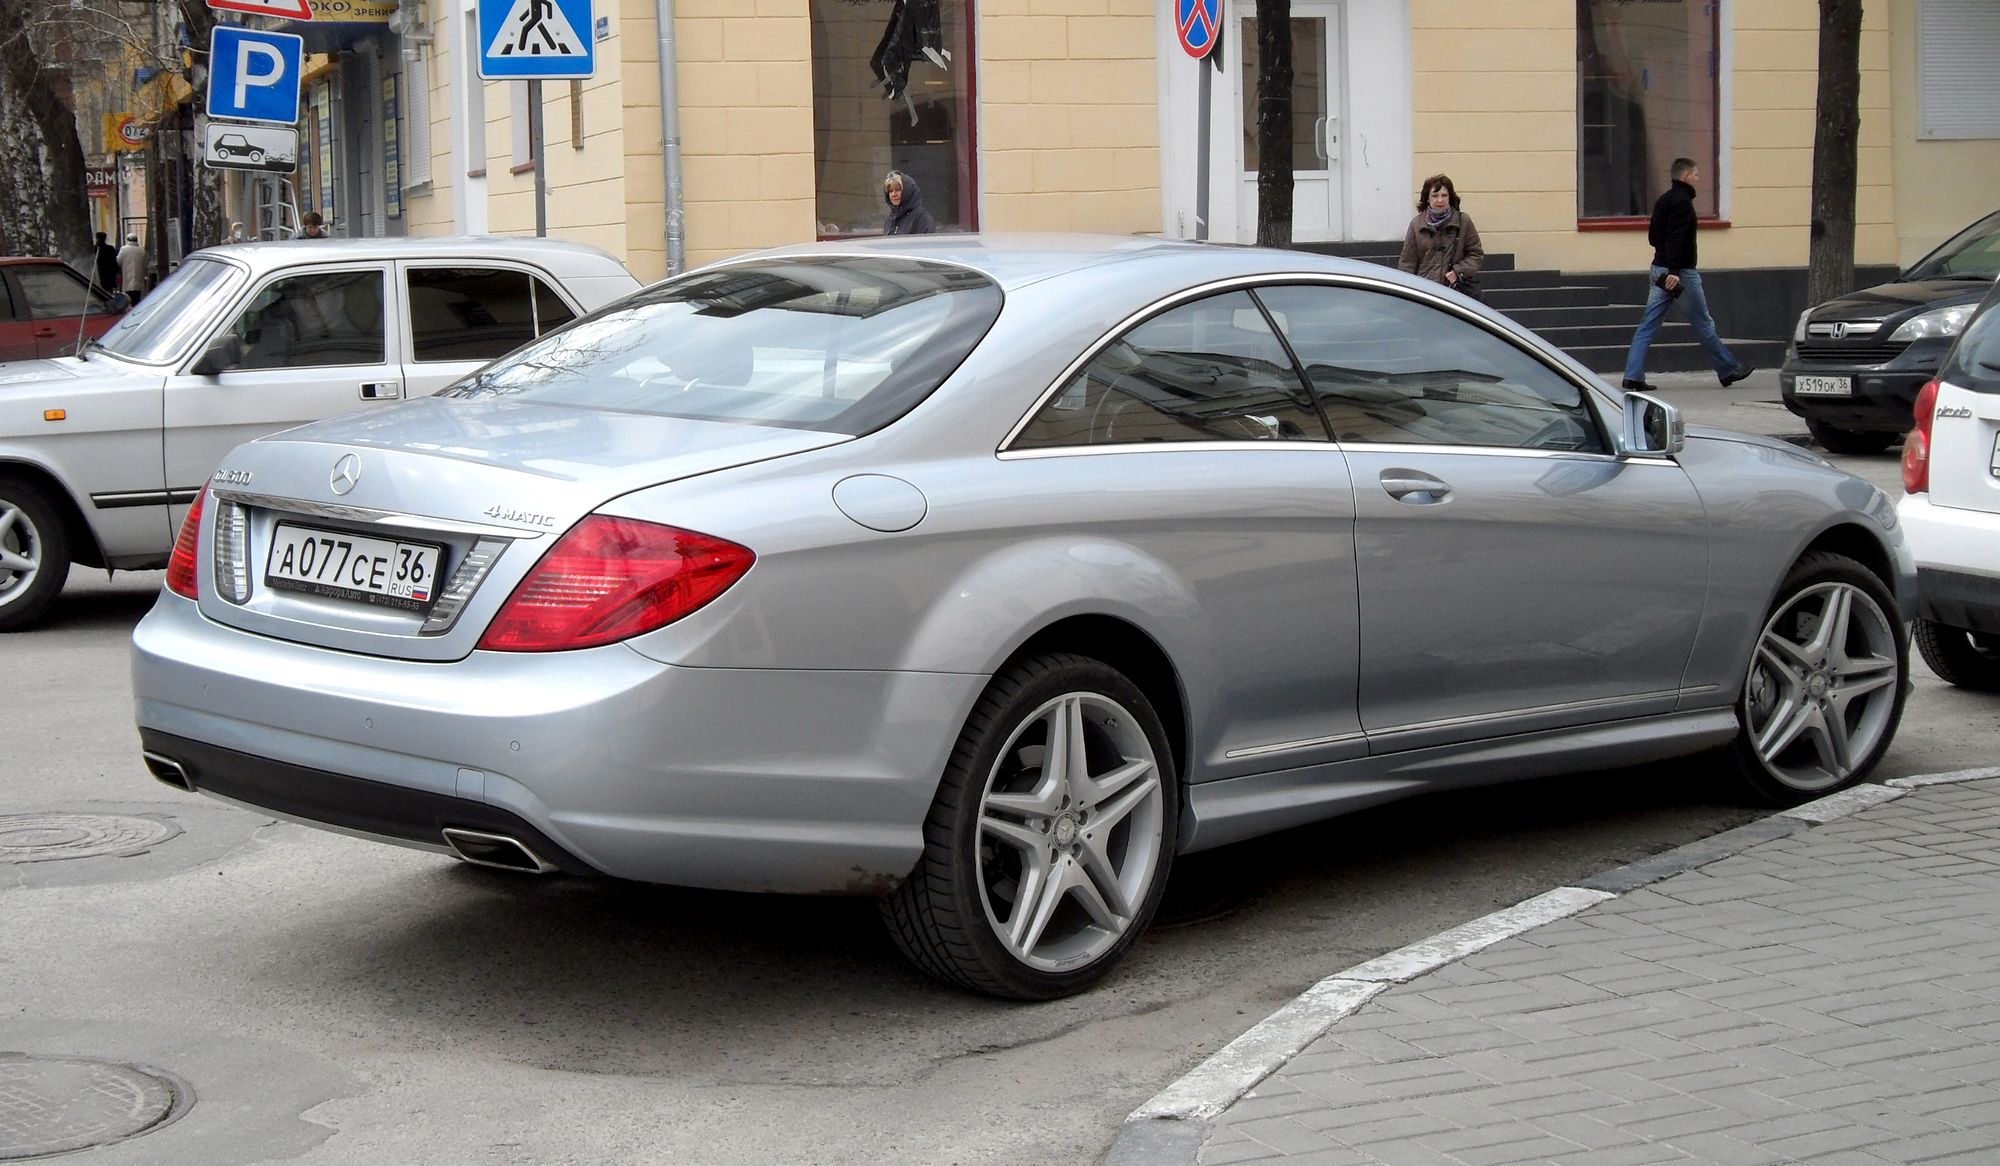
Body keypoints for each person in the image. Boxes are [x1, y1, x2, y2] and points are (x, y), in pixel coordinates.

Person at [1622, 157, 1756, 393]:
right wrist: (1674, 271)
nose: (1698, 178)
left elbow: (1654, 238)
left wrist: (1665, 265)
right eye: (1695, 174)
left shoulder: (1663, 200)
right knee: (1703, 322)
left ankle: (1632, 376)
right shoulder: (1683, 203)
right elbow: (1678, 238)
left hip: (1659, 271)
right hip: (1679, 273)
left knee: (1648, 324)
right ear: (1685, 176)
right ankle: (1728, 369)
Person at [1398, 174, 1484, 299]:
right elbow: (1407, 264)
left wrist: (1458, 271)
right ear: (1427, 198)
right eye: (1435, 195)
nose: (1440, 200)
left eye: (1444, 195)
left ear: (1450, 197)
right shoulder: (1416, 224)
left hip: (1456, 292)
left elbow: (1476, 254)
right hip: (1425, 292)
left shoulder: (1463, 221)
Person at [882, 170, 936, 235]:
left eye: (898, 190)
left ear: (908, 192)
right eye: (890, 191)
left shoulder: (922, 218)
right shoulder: (890, 220)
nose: (893, 194)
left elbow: (928, 243)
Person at [116, 233, 147, 303]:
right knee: (137, 296)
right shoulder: (141, 250)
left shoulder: (123, 249)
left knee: (128, 296)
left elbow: (118, 261)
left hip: (127, 276)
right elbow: (145, 263)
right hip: (139, 277)